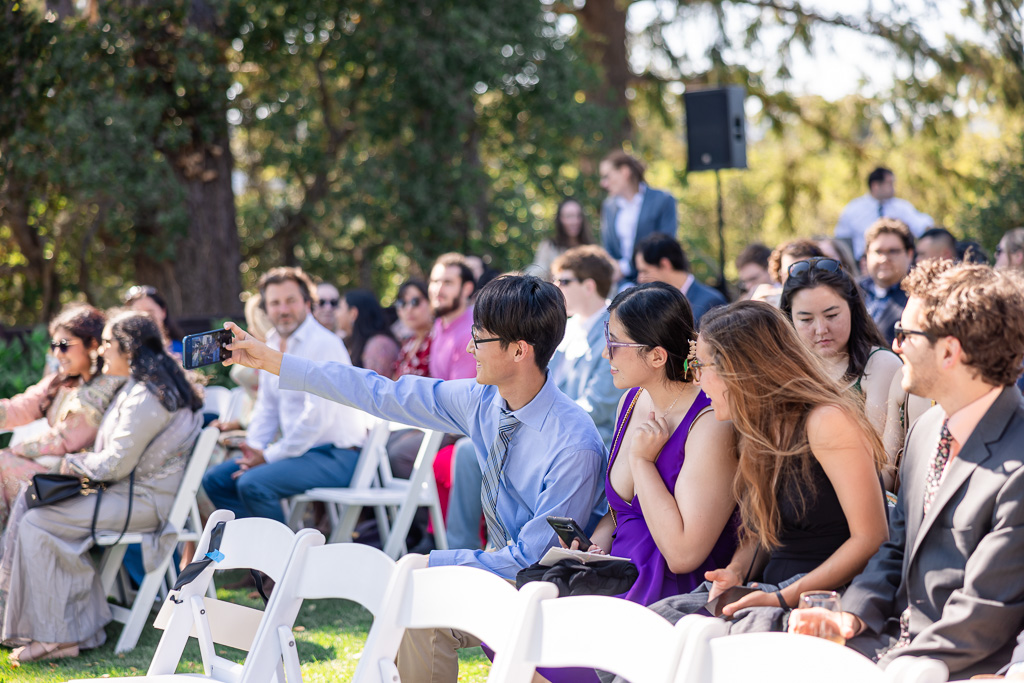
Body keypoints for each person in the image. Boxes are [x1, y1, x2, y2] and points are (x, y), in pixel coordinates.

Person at [220, 274, 605, 683]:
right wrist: (273, 361)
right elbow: (381, 393)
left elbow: (533, 560)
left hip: (553, 597)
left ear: (519, 351)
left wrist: (429, 562)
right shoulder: (483, 400)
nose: (470, 347)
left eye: (481, 338)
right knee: (418, 610)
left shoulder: (574, 444)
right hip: (506, 579)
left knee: (418, 586)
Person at [788, 260, 1024, 679]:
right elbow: (894, 549)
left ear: (949, 351)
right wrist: (852, 616)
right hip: (893, 644)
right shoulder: (927, 429)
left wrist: (894, 665)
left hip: (967, 665)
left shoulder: (1018, 461)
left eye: (906, 335)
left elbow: (987, 609)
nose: (895, 346)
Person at [633, 301, 888, 638]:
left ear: (740, 368)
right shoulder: (754, 427)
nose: (697, 378)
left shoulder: (827, 422)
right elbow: (763, 530)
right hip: (766, 589)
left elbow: (871, 538)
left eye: (701, 364)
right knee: (646, 634)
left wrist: (779, 597)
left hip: (821, 600)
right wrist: (736, 571)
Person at [0, 311, 203, 663]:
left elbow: (114, 464)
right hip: (124, 495)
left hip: (140, 504)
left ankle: (58, 635)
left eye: (108, 343)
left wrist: (70, 464)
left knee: (38, 523)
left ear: (128, 349)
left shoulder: (147, 397)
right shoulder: (140, 390)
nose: (101, 351)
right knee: (36, 511)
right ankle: (75, 629)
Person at [584, 282, 737, 606]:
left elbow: (684, 555)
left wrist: (642, 463)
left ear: (656, 356)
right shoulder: (631, 399)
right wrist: (592, 549)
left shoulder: (710, 422)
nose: (603, 353)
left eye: (614, 342)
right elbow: (620, 513)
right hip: (614, 577)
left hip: (668, 593)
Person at [200, 267, 367, 525]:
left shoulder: (323, 343)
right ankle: (257, 555)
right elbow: (267, 406)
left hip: (337, 455)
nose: (283, 310)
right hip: (300, 453)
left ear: (307, 303)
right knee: (215, 480)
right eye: (275, 303)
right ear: (266, 309)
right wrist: (253, 449)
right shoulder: (272, 342)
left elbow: (317, 417)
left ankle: (284, 560)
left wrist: (268, 456)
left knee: (253, 483)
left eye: (291, 301)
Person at [0, 305, 127, 527]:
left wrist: (16, 450)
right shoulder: (62, 381)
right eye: (53, 345)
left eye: (64, 345)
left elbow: (64, 439)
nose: (57, 353)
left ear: (93, 344)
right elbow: (19, 408)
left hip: (80, 485)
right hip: (51, 474)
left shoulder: (106, 387)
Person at [780, 258, 903, 486]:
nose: (821, 329)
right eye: (806, 319)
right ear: (789, 319)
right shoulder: (787, 372)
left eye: (832, 315)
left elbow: (883, 467)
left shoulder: (880, 365)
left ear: (853, 309)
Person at [549, 246, 626, 449]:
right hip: (556, 432)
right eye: (555, 280)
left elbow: (598, 406)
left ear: (589, 286)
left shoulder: (617, 332)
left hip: (589, 442)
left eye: (564, 281)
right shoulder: (566, 326)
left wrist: (542, 418)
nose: (555, 287)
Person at [599, 151, 677, 284]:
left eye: (607, 176)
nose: (603, 184)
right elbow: (608, 248)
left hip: (654, 282)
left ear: (624, 172)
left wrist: (626, 267)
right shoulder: (608, 206)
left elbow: (664, 245)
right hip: (620, 285)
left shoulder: (663, 200)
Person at [834, 167, 933, 260]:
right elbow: (842, 240)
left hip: (897, 263)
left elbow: (923, 226)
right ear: (876, 186)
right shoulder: (853, 209)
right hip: (862, 263)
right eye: (889, 183)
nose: (893, 188)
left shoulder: (901, 207)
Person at [634, 233, 727, 327]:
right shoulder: (652, 303)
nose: (639, 279)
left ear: (665, 264)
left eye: (644, 271)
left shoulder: (711, 302)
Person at [860, 218, 915, 347]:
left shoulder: (917, 296)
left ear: (909, 254)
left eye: (893, 251)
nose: (884, 259)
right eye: (878, 251)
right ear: (867, 254)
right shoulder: (851, 290)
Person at [427, 253, 477, 381]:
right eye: (435, 281)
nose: (438, 290)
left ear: (467, 289)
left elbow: (459, 398)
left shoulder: (471, 335)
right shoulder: (439, 322)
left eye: (447, 283)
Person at [526, 198, 595, 281]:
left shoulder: (591, 248)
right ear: (560, 219)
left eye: (578, 216)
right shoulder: (549, 246)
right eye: (569, 216)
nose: (574, 221)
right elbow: (537, 271)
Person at [336, 289, 400, 378]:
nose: (336, 313)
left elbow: (376, 388)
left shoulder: (379, 345)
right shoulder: (352, 342)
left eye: (339, 308)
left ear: (353, 313)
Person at [752, 239, 826, 307]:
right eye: (790, 272)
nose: (798, 279)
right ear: (780, 275)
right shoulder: (770, 304)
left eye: (803, 271)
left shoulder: (831, 300)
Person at [122, 285, 185, 358]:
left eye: (150, 312)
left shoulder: (184, 351)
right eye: (139, 315)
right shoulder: (127, 355)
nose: (146, 318)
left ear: (163, 311)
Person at [392, 280, 433, 379]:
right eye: (402, 303)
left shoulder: (439, 339)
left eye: (415, 302)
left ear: (431, 302)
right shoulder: (408, 344)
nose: (408, 309)